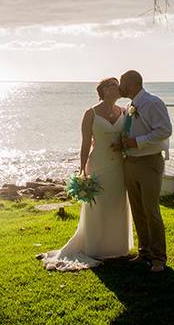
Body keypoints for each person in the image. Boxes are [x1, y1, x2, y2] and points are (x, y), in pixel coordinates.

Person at [39, 77, 133, 271]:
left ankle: (117, 246)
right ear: (105, 90)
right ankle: (95, 246)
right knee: (97, 205)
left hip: (118, 166)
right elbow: (85, 143)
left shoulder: (124, 111)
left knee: (117, 203)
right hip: (98, 163)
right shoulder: (90, 114)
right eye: (114, 85)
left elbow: (127, 136)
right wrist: (82, 170)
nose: (118, 88)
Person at [116, 70, 172, 273]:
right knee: (138, 210)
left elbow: (165, 130)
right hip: (130, 162)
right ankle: (144, 252)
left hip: (149, 163)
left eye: (121, 83)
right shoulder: (130, 106)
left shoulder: (152, 102)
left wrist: (137, 142)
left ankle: (159, 258)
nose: (119, 87)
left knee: (151, 211)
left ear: (131, 83)